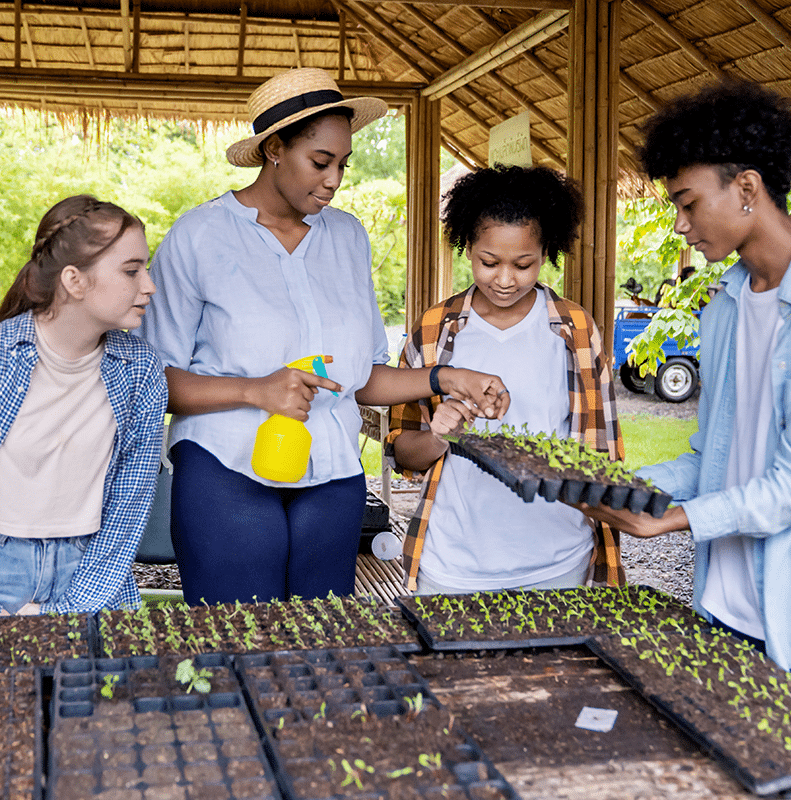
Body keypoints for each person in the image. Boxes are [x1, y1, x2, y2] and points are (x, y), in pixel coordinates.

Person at [139, 68, 509, 606]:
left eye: (343, 164)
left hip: (333, 474)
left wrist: (445, 376)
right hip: (224, 469)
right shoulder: (199, 237)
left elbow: (359, 379)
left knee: (322, 646)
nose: (335, 179)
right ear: (273, 149)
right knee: (236, 645)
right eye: (320, 162)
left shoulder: (348, 238)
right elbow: (154, 382)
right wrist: (254, 391)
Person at [578, 80, 791, 672]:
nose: (679, 224)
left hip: (788, 628)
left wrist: (672, 521)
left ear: (747, 189)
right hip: (720, 612)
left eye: (688, 203)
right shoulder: (726, 306)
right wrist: (619, 487)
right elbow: (711, 459)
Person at [386, 165, 625, 595]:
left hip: (558, 562)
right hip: (453, 565)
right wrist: (443, 435)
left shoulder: (576, 329)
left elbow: (603, 453)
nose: (505, 279)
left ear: (546, 251)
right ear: (467, 247)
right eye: (489, 262)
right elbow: (404, 450)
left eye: (523, 264)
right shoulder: (433, 329)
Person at [0, 195, 167, 615]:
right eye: (131, 270)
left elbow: (131, 503)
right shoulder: (4, 356)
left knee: (106, 681)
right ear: (74, 280)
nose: (148, 285)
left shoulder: (141, 370)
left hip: (94, 566)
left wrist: (71, 609)